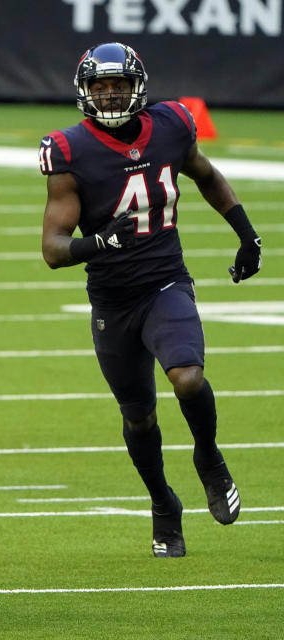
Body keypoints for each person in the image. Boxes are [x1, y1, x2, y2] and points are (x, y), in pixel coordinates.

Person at [40, 42, 261, 558]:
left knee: (188, 377)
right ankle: (163, 502)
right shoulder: (70, 150)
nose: (111, 94)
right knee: (138, 416)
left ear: (137, 85)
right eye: (101, 86)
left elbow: (206, 175)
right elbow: (52, 249)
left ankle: (208, 456)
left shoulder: (173, 125)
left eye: (118, 84)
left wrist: (247, 235)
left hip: (166, 282)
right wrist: (98, 242)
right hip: (113, 301)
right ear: (85, 92)